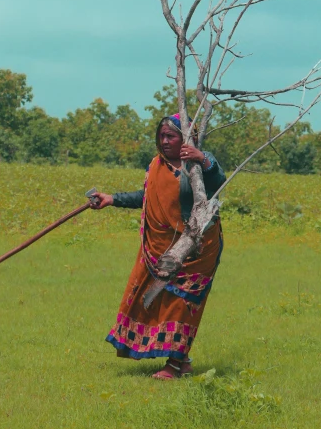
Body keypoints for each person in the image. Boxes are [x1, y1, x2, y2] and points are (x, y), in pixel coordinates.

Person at [90, 113, 226, 380]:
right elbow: (147, 197)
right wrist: (111, 199)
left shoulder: (198, 164)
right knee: (158, 301)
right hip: (160, 250)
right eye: (161, 136)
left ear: (186, 138)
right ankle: (182, 361)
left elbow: (218, 180)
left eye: (171, 136)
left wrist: (202, 158)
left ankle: (174, 366)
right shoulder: (157, 165)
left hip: (196, 250)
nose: (164, 141)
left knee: (182, 304)